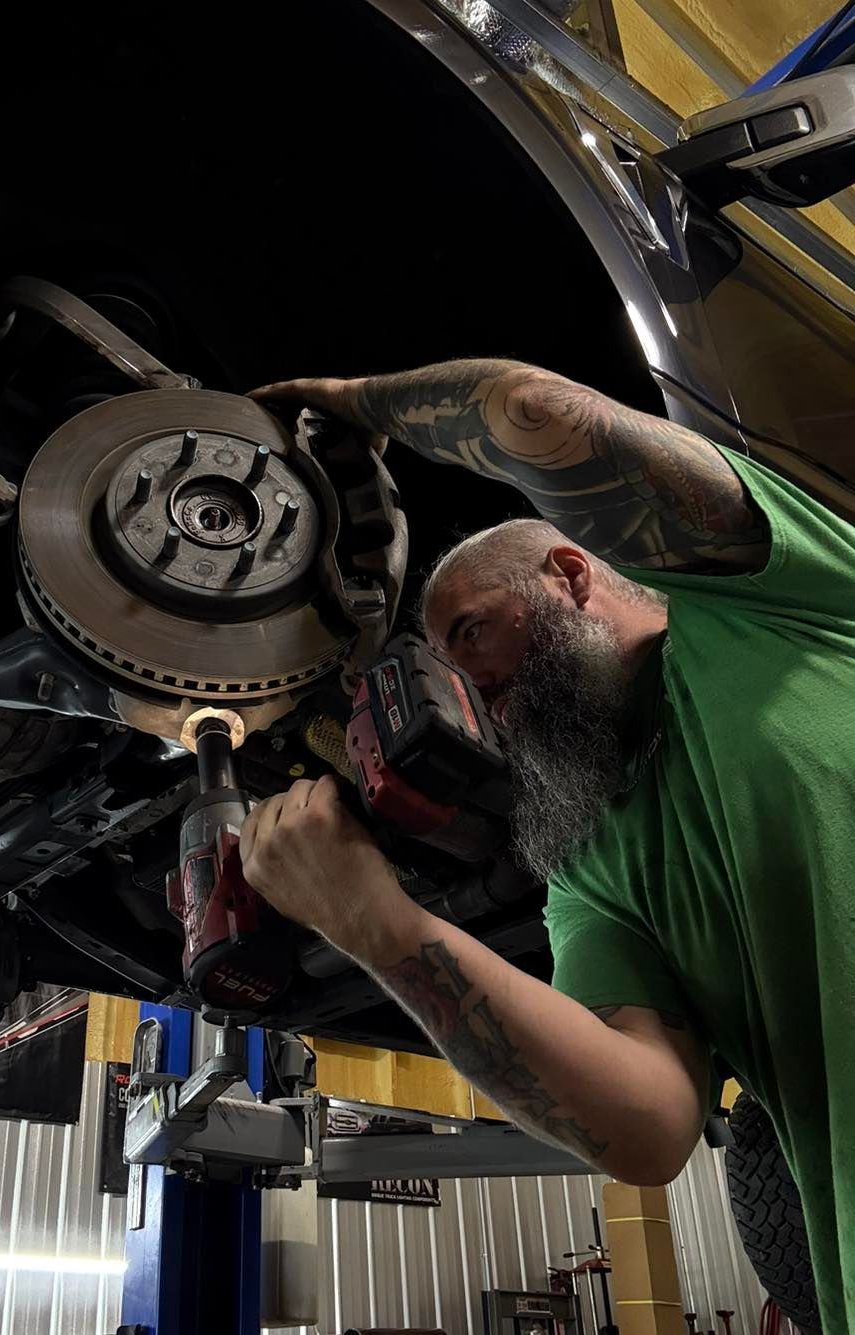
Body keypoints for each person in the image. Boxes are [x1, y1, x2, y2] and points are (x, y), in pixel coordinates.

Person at [240, 360, 855, 1333]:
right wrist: (379, 925)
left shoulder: (767, 595)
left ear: (568, 575)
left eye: (473, 634)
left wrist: (351, 407)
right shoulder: (589, 871)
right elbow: (649, 1128)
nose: (471, 694)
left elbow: (532, 415)